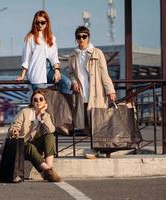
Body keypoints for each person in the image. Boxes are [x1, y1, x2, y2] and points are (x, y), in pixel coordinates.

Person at [68, 26, 116, 158]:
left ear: (89, 37)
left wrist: (110, 91)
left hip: (96, 95)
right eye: (79, 36)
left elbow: (104, 74)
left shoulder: (97, 53)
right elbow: (70, 73)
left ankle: (97, 149)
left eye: (84, 36)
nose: (81, 39)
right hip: (81, 96)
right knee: (84, 125)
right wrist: (73, 81)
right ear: (76, 38)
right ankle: (101, 147)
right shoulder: (73, 55)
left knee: (97, 124)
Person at [8, 89, 61, 182]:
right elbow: (14, 126)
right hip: (19, 146)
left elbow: (51, 130)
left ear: (45, 102)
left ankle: (48, 170)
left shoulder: (46, 115)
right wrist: (15, 131)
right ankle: (48, 171)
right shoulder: (25, 112)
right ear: (32, 102)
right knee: (30, 147)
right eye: (35, 100)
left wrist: (42, 114)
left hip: (31, 145)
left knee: (49, 137)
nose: (38, 102)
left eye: (41, 99)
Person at [16, 10, 71, 94]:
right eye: (37, 22)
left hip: (49, 70)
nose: (40, 25)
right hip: (37, 71)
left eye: (42, 22)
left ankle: (61, 106)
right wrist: (22, 75)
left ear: (47, 22)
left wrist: (57, 70)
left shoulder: (51, 38)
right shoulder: (30, 38)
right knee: (41, 99)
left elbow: (54, 57)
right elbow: (26, 58)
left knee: (66, 83)